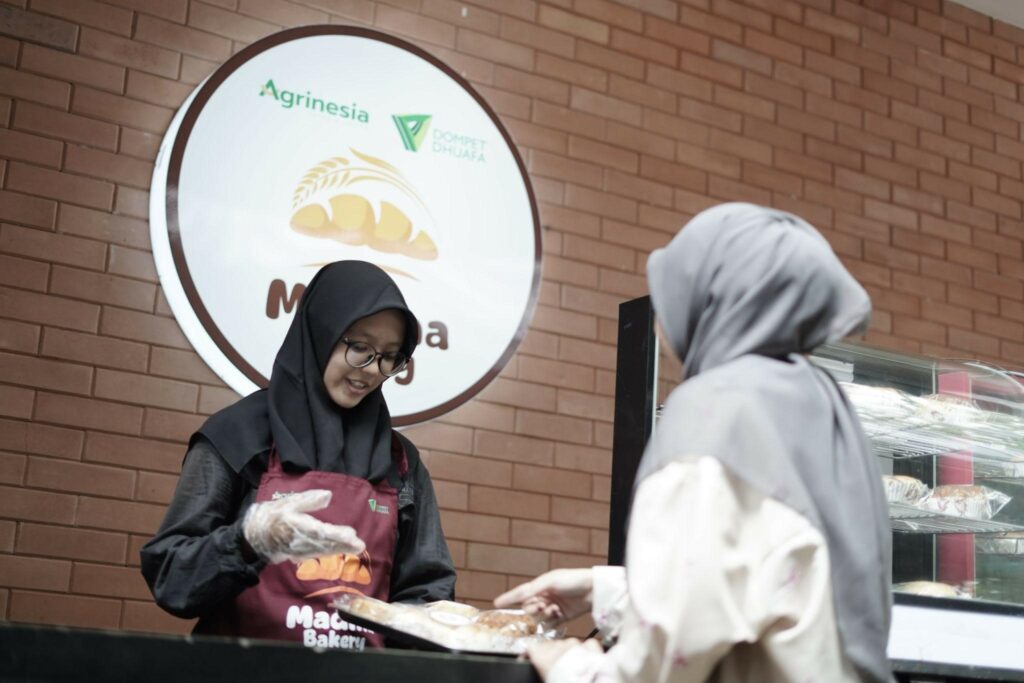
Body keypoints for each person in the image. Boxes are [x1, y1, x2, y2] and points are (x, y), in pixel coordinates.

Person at [496, 203, 893, 682]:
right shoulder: (825, 406)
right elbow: (768, 583)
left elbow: (664, 665)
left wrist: (569, 665)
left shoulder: (716, 409)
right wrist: (603, 591)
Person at [142, 260, 455, 649]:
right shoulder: (238, 436)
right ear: (321, 331)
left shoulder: (400, 461)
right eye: (360, 347)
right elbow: (173, 580)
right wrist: (248, 541)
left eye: (390, 356)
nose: (373, 370)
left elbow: (427, 591)